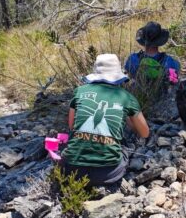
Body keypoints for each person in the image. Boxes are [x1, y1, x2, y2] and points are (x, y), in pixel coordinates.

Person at [61, 54, 150, 190]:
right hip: (108, 173)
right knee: (124, 146)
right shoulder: (127, 97)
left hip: (71, 171)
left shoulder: (79, 92)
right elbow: (144, 133)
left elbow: (71, 125)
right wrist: (127, 118)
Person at [124, 21, 181, 86]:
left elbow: (128, 76)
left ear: (143, 39)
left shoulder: (132, 59)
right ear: (160, 40)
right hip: (161, 91)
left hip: (137, 91)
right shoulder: (169, 61)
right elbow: (173, 81)